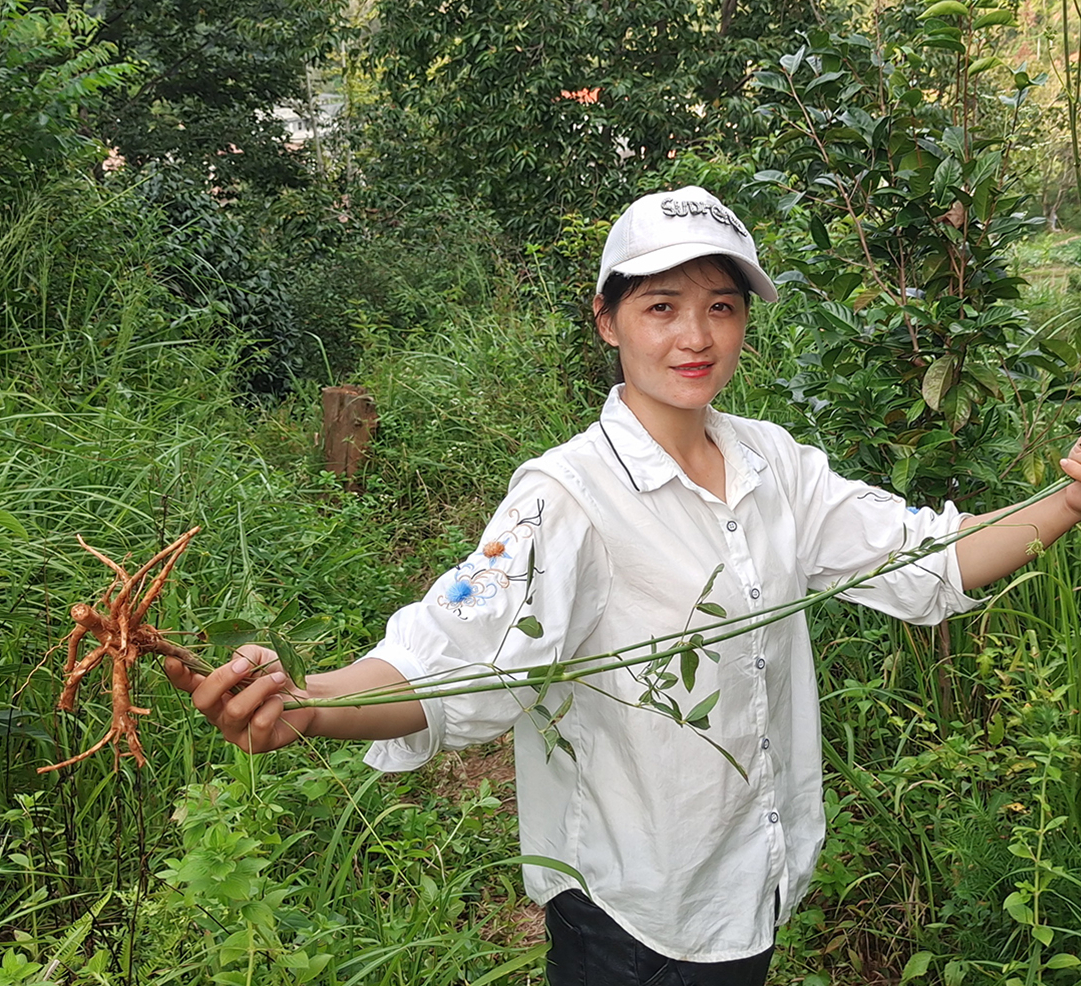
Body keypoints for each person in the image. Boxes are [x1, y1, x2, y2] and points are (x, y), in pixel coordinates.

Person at [167, 186, 1081, 986]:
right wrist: (309, 704)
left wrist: (1068, 498)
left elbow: (924, 557)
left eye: (721, 306)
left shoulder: (775, 464)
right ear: (606, 319)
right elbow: (454, 657)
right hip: (632, 919)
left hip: (750, 882)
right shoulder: (565, 498)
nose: (695, 336)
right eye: (661, 306)